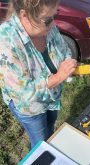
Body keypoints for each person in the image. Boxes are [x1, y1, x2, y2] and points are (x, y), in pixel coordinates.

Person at [0, 0, 77, 148]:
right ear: (25, 15)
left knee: (50, 127)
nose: (53, 24)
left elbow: (63, 49)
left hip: (52, 97)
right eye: (48, 20)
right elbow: (23, 92)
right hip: (31, 108)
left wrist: (68, 63)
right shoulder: (5, 43)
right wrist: (59, 77)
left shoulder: (47, 27)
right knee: (40, 143)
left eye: (55, 15)